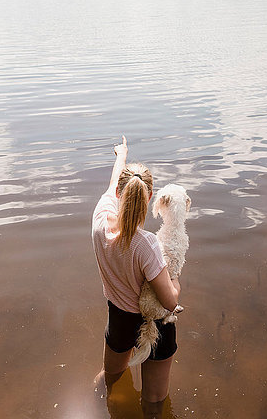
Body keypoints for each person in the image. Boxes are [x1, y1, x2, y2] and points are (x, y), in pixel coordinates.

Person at [92, 135, 181, 418]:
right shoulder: (147, 245)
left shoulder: (99, 219)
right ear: (150, 198)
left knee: (110, 377)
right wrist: (176, 280)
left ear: (118, 194)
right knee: (154, 402)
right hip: (153, 323)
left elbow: (112, 182)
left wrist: (122, 155)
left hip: (119, 317)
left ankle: (96, 407)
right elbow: (168, 301)